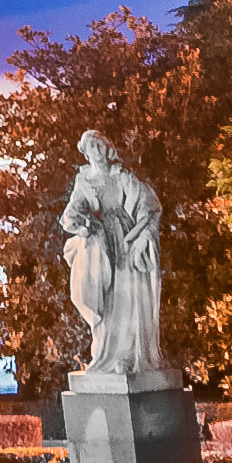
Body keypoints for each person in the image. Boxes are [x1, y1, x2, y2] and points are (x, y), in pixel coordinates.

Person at [58, 131, 168, 378]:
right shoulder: (84, 181)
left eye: (100, 144)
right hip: (102, 246)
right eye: (91, 146)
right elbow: (69, 217)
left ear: (108, 148)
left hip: (127, 242)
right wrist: (86, 227)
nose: (96, 150)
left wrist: (143, 236)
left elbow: (150, 208)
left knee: (130, 299)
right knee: (108, 303)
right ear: (85, 153)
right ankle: (110, 357)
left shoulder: (125, 178)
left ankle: (131, 357)